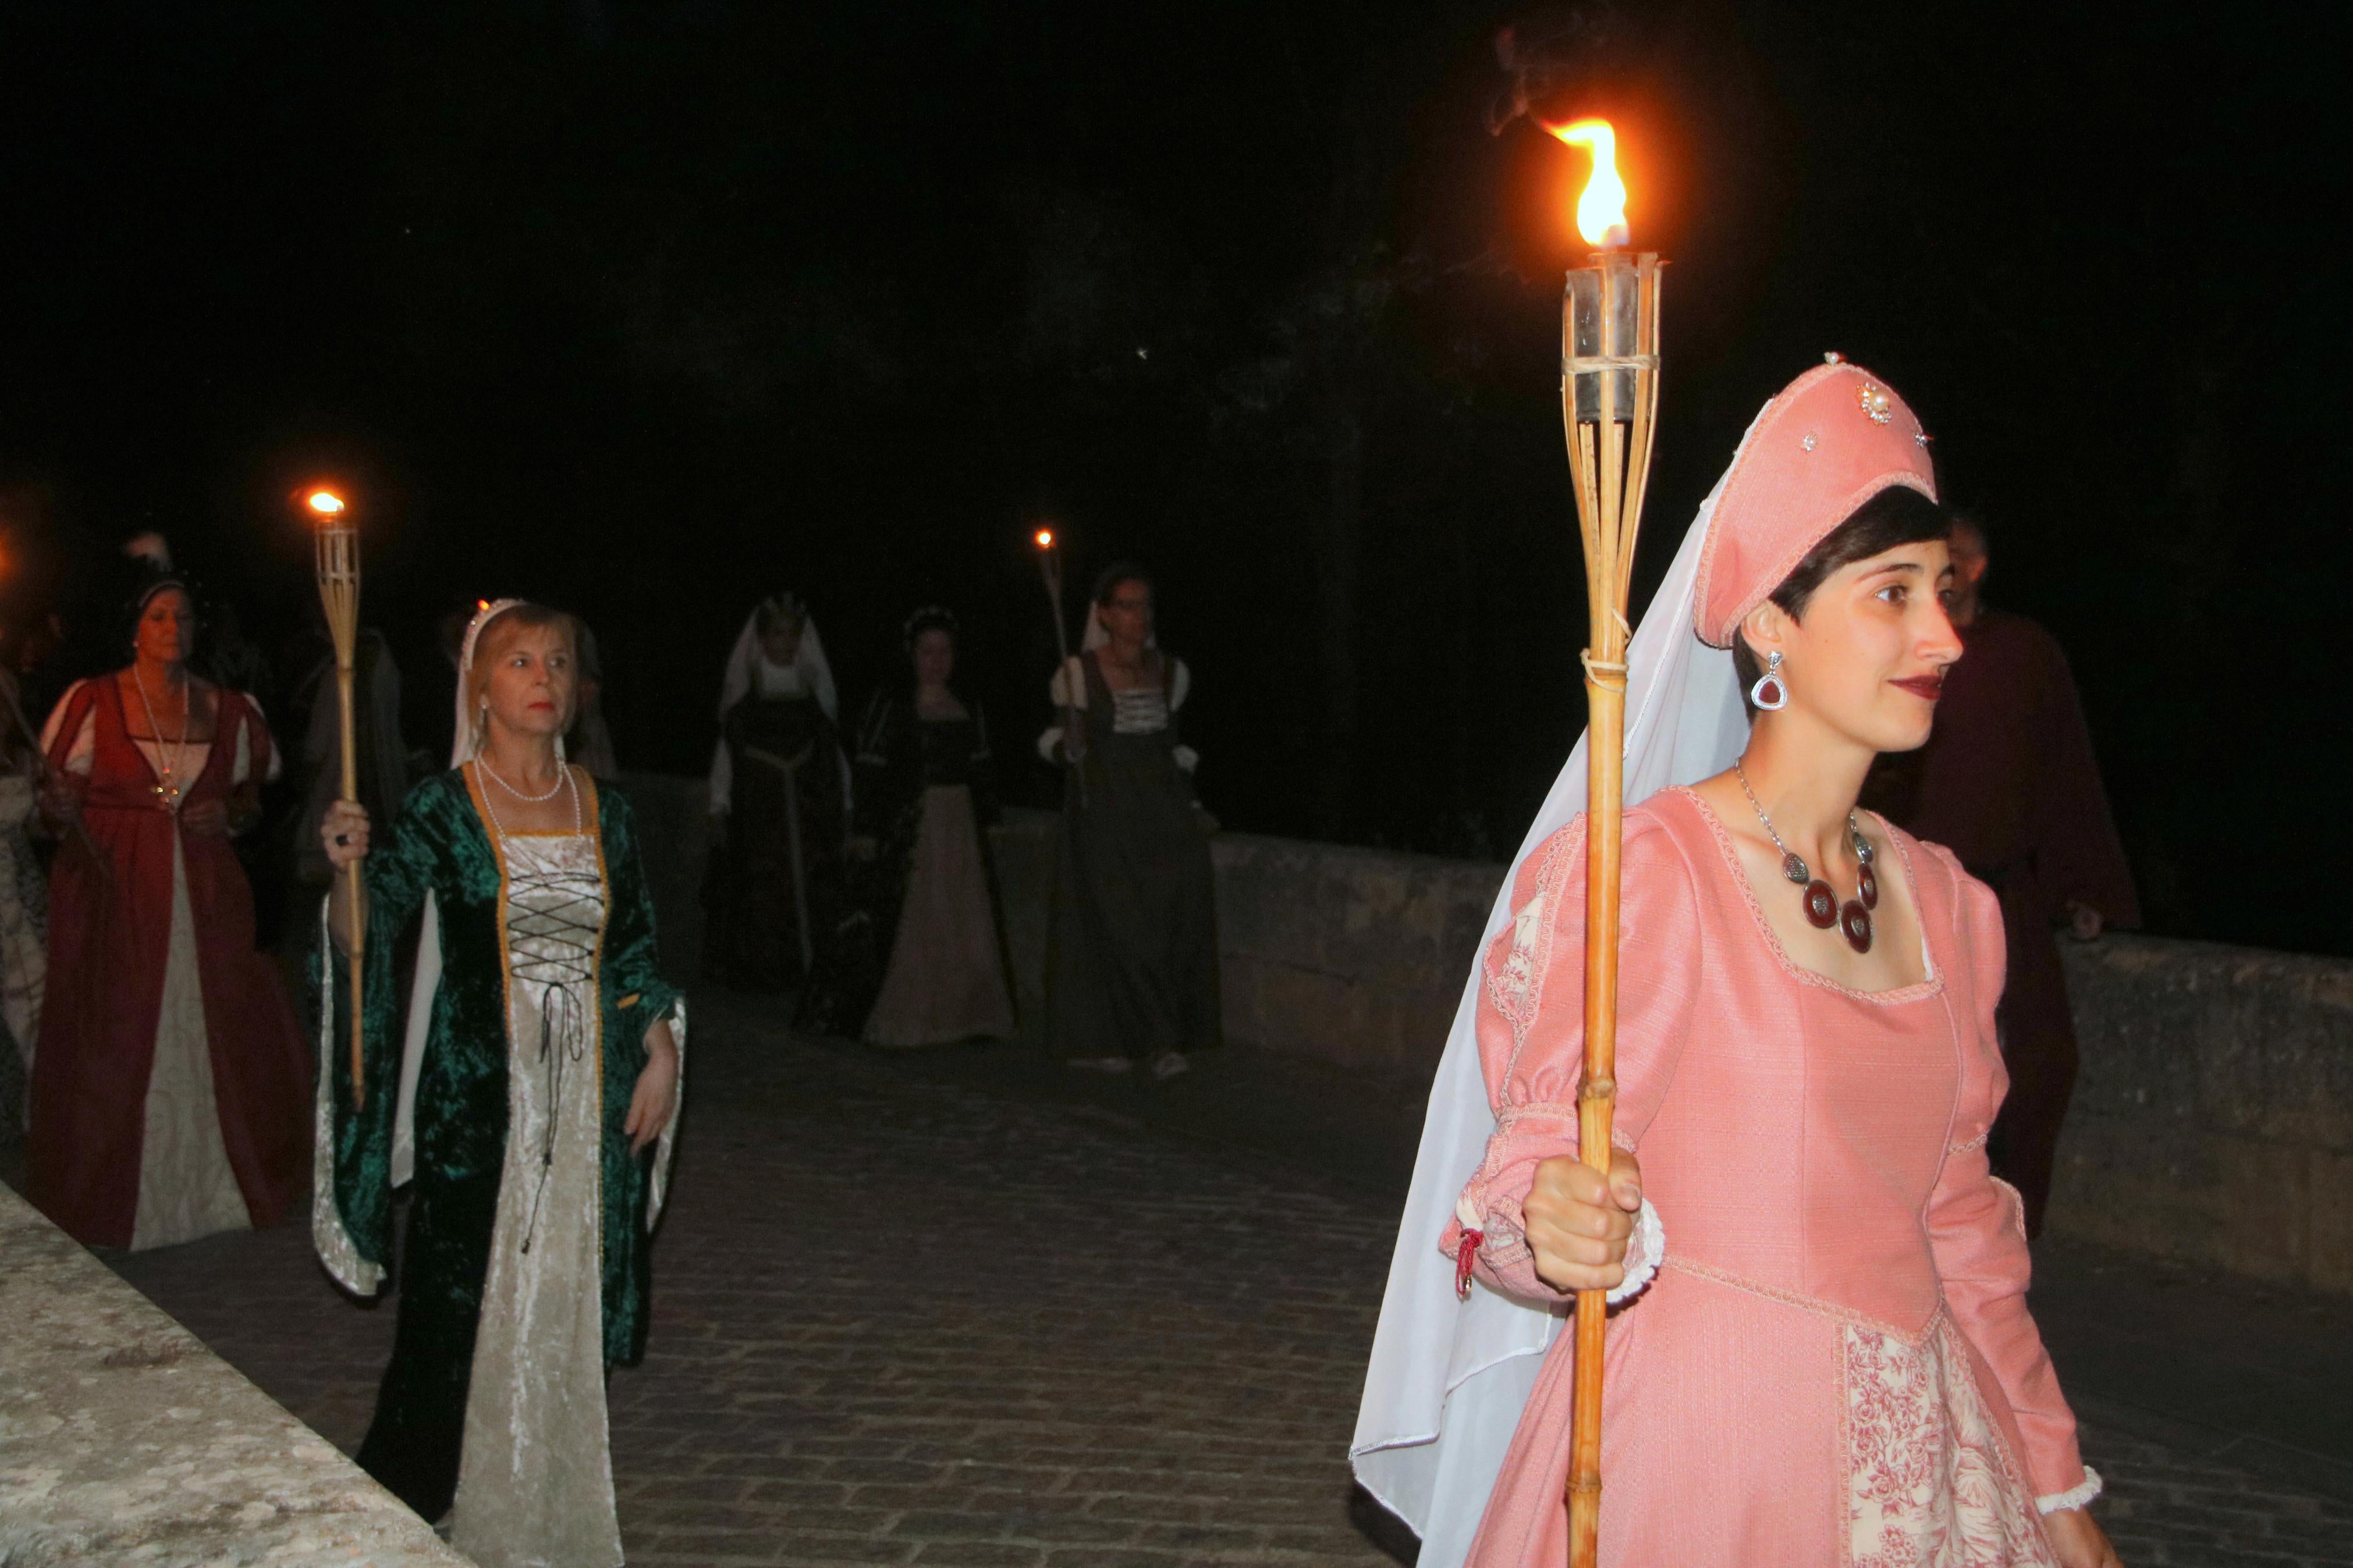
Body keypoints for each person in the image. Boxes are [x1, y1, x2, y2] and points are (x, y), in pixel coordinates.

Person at [1353, 360, 2120, 1567]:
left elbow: (1959, 1231)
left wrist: (2057, 1494)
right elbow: (1533, 1167)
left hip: (1929, 1477)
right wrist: (1552, 1223)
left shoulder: (1949, 908)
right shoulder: (1645, 877)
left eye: (1944, 592)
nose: (1940, 637)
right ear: (1771, 619)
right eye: (1889, 595)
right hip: (1702, 1460)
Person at [314, 598, 683, 1566]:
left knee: (557, 1297)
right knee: (455, 1309)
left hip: (583, 1095)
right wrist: (348, 870)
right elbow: (366, 940)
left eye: (559, 662)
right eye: (520, 661)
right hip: (481, 1104)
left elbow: (635, 952)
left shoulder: (608, 810)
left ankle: (539, 1486)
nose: (544, 679)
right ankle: (414, 1493)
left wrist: (660, 1049)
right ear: (479, 687)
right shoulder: (446, 806)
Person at [1864, 513, 2139, 1236]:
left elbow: (2061, 768)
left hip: (2003, 896)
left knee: (2039, 1065)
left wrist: (2084, 884)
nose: (1938, 582)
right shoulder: (1890, 655)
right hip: (1903, 897)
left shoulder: (2020, 652)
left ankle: (2005, 1231)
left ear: (1976, 567)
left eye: (1949, 563)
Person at [27, 572, 310, 1250]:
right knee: (118, 1030)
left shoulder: (229, 708)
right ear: (135, 627)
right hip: (116, 895)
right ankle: (115, 1195)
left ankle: (216, 1187)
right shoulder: (92, 701)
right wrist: (60, 810)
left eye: (182, 617)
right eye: (158, 616)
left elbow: (253, 799)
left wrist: (230, 813)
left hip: (207, 897)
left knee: (220, 1023)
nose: (173, 629)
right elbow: (49, 811)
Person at [798, 606, 1017, 1046]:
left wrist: (989, 820)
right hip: (910, 830)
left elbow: (982, 766)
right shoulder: (892, 703)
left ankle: (964, 1016)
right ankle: (910, 1015)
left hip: (959, 833)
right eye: (927, 651)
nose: (936, 660)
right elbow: (871, 768)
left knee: (963, 922)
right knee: (909, 925)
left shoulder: (968, 704)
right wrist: (866, 828)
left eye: (944, 651)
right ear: (912, 654)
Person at [1038, 563, 1218, 1079]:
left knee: (1164, 925)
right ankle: (1147, 1041)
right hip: (1106, 815)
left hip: (1160, 814)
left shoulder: (1168, 672)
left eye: (1145, 606)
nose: (1137, 616)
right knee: (1120, 928)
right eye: (1126, 606)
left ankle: (1158, 1035)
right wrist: (1067, 745)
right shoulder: (1079, 675)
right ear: (1103, 614)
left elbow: (1174, 747)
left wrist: (1191, 805)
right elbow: (1057, 741)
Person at [703, 592, 848, 989]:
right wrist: (720, 803)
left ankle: (807, 966)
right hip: (759, 819)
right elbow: (726, 756)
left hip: (805, 818)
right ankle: (764, 972)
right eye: (777, 634)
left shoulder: (811, 700)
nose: (784, 643)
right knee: (761, 892)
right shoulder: (744, 706)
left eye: (791, 635)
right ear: (763, 640)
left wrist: (843, 803)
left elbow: (831, 758)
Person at [0, 667, 47, 1126]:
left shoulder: (22, 760)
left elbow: (41, 826)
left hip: (23, 896)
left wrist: (58, 809)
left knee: (35, 1005)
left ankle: (39, 1120)